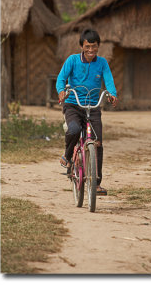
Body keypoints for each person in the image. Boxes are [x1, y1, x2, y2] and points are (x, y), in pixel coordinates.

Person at [56, 29, 118, 196]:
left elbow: (109, 80)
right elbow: (61, 78)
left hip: (93, 107)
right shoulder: (72, 60)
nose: (91, 50)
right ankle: (68, 156)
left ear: (99, 47)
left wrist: (112, 94)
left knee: (97, 143)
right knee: (74, 129)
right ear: (82, 46)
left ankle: (96, 184)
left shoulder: (102, 63)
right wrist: (61, 90)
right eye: (88, 46)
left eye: (94, 47)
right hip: (73, 105)